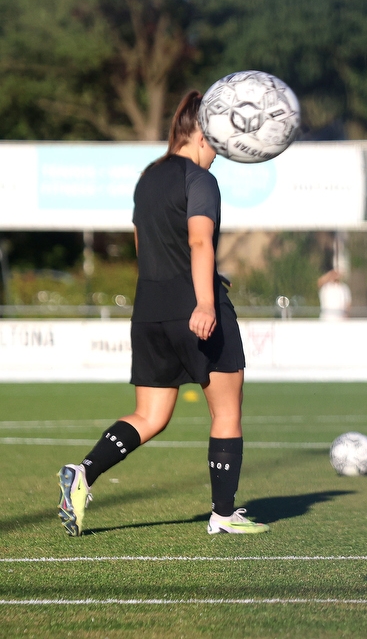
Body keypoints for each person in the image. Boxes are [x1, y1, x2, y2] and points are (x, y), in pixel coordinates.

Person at [57, 91, 268, 537]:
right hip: (195, 309)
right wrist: (206, 300)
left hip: (149, 309)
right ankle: (223, 513)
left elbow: (143, 246)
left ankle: (85, 472)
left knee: (149, 415)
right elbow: (197, 241)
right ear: (205, 131)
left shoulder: (148, 178)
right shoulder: (200, 179)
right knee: (226, 411)